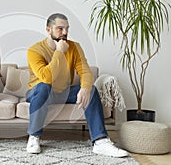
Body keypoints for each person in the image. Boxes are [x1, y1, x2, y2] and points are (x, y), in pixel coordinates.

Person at [25, 13, 128, 157]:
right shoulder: (34, 50)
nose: (65, 32)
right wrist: (59, 52)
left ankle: (100, 141)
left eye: (67, 28)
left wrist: (85, 88)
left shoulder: (74, 47)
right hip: (38, 92)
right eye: (60, 28)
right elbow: (46, 77)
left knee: (91, 89)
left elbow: (85, 70)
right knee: (44, 86)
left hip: (63, 92)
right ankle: (34, 137)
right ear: (48, 30)